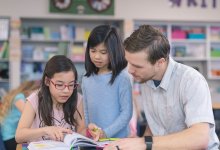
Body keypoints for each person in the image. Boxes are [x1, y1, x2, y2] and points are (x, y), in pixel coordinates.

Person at [104, 25, 220, 150]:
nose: (130, 70)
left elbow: (200, 138)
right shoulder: (146, 78)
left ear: (160, 63)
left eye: (137, 66)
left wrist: (144, 144)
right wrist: (140, 140)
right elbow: (156, 125)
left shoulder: (191, 80)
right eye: (129, 63)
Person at [15, 55, 86, 143]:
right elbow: (19, 136)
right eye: (59, 85)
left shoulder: (77, 99)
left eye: (71, 85)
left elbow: (81, 129)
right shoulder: (34, 99)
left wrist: (88, 132)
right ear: (47, 81)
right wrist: (46, 130)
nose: (66, 91)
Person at [82, 25, 133, 140]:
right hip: (93, 140)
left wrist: (105, 133)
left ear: (113, 51)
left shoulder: (122, 78)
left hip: (118, 140)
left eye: (103, 52)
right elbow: (85, 111)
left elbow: (126, 114)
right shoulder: (86, 79)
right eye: (93, 51)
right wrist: (88, 128)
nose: (97, 56)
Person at [0, 80, 39, 150]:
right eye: (36, 92)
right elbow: (27, 113)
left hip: (10, 135)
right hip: (10, 136)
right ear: (29, 90)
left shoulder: (20, 97)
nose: (37, 95)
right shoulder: (19, 96)